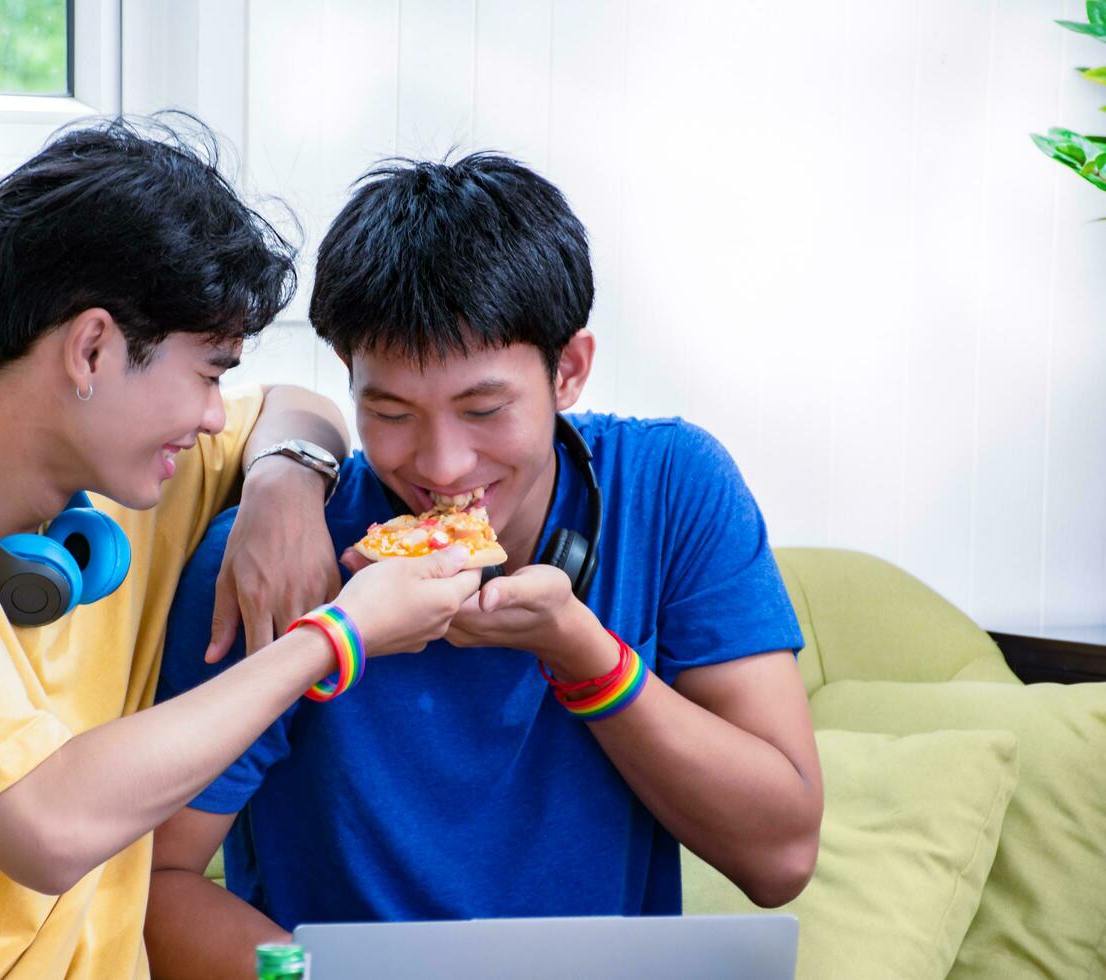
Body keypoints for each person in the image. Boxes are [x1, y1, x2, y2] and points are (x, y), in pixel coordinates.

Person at [0, 116, 484, 978]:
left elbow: (300, 409)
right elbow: (46, 830)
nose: (215, 414)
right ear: (91, 348)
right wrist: (338, 634)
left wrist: (283, 484)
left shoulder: (136, 475)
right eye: (209, 372)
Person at [147, 152, 824, 979]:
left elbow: (780, 857)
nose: (441, 465)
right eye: (389, 412)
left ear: (568, 369)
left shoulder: (674, 488)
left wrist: (583, 654)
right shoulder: (280, 559)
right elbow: (155, 882)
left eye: (484, 409)